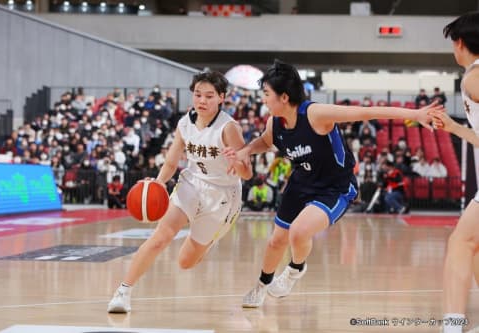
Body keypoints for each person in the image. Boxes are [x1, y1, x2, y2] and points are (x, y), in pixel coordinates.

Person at [223, 60, 442, 308]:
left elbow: (365, 112)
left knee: (299, 232)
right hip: (300, 182)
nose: (263, 100)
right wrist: (246, 151)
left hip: (334, 188)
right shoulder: (275, 122)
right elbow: (266, 141)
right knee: (276, 241)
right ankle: (261, 286)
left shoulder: (316, 114)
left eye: (266, 95)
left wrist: (415, 114)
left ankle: (295, 269)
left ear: (284, 97)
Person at [107, 71, 253, 313]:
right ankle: (123, 291)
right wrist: (158, 183)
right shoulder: (185, 123)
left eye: (209, 96)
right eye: (198, 94)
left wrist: (237, 160)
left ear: (221, 98)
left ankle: (205, 241)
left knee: (185, 262)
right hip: (192, 183)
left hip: (223, 196)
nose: (202, 100)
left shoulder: (229, 128)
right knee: (160, 237)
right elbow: (172, 162)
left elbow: (246, 174)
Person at [430, 12, 479, 333]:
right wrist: (452, 127)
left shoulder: (473, 77)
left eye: (453, 43)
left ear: (460, 43)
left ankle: (452, 325)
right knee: (473, 246)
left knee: (460, 243)